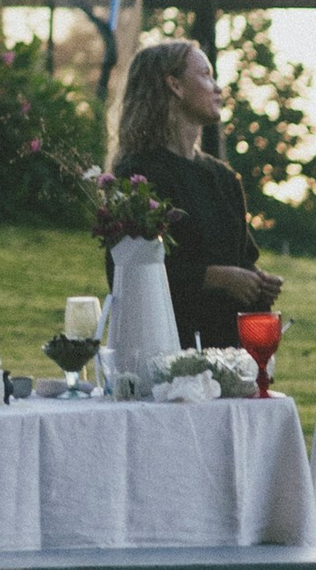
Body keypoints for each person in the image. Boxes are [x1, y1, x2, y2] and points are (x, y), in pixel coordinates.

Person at [109, 38, 278, 350]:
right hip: (167, 349)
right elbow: (130, 275)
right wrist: (218, 278)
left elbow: (242, 259)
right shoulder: (137, 177)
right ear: (175, 85)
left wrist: (257, 281)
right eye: (205, 75)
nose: (217, 88)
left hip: (228, 352)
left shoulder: (223, 178)